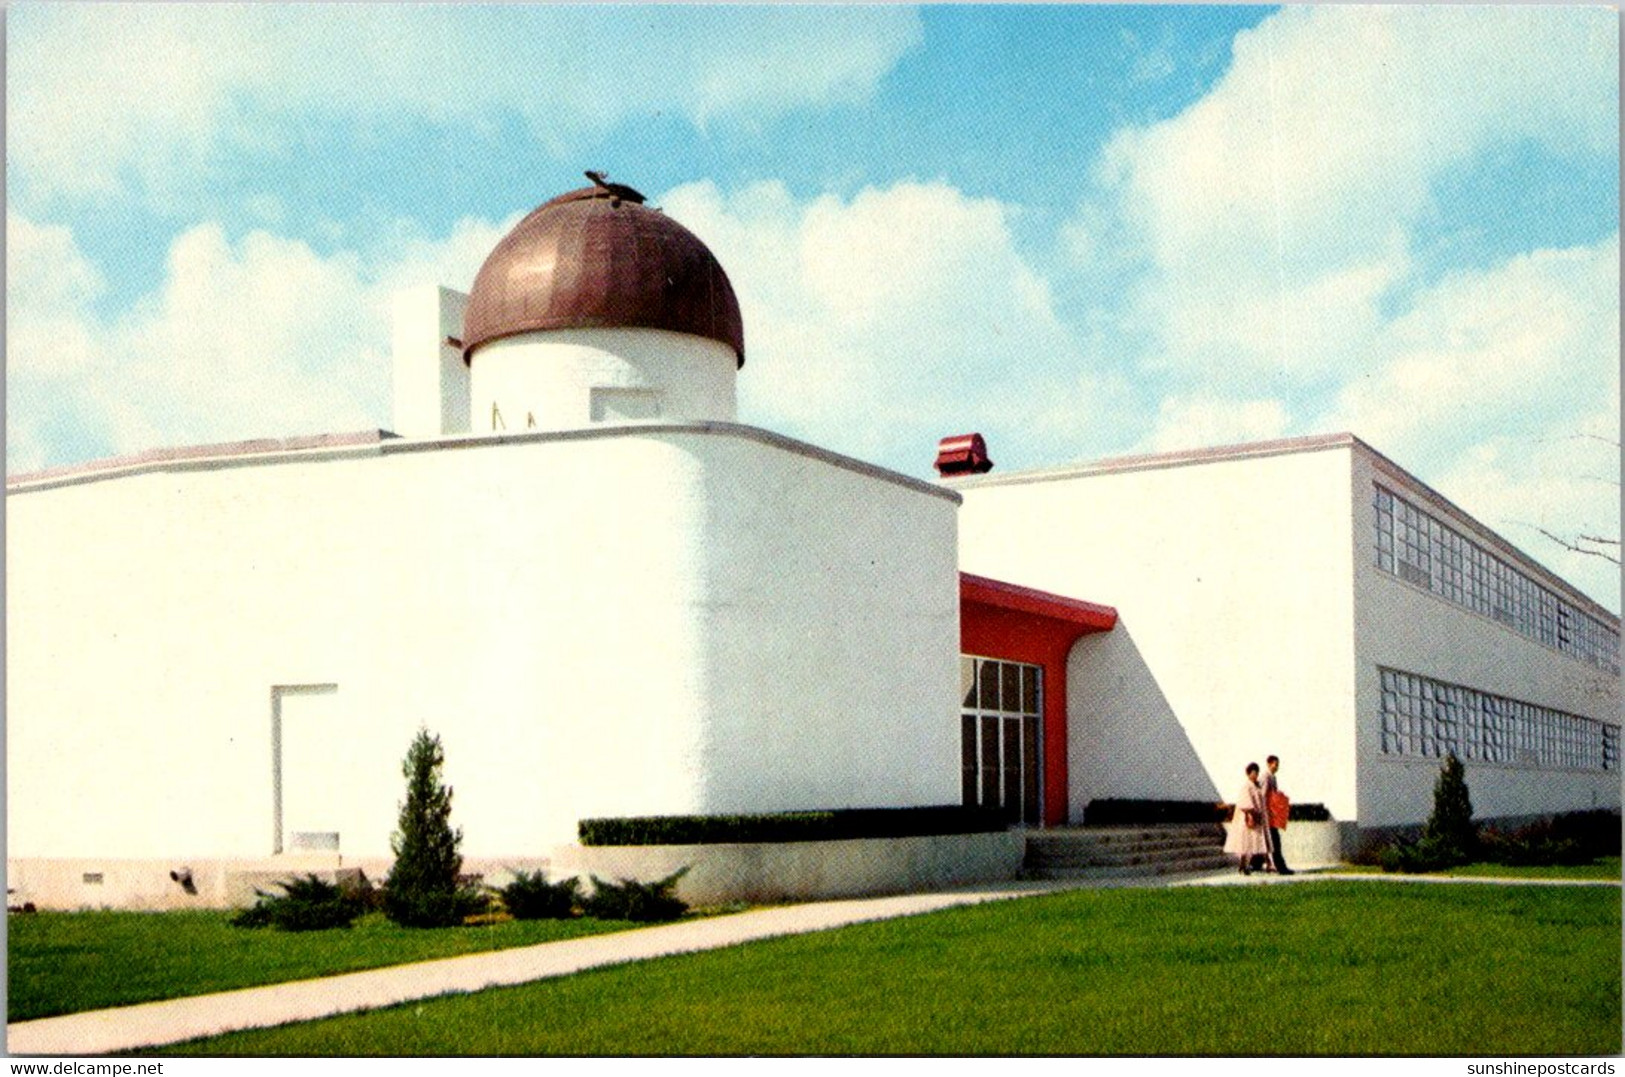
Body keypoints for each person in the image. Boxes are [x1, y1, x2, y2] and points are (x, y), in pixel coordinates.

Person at [1223, 762, 1270, 875]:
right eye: (1253, 772)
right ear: (1248, 773)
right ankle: (1244, 865)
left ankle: (1245, 865)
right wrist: (1251, 813)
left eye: (1256, 772)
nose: (1255, 775)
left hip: (1256, 817)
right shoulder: (1246, 786)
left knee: (1252, 843)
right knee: (1247, 843)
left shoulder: (1256, 785)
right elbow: (1244, 803)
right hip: (1248, 818)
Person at [1261, 754, 1294, 875]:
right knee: (1274, 841)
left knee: (1273, 841)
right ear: (1269, 764)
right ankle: (1280, 867)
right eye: (1275, 764)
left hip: (1272, 814)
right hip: (1268, 815)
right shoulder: (1266, 777)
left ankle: (1276, 865)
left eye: (1277, 764)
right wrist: (1266, 813)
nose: (1277, 767)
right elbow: (1263, 796)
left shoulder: (1273, 777)